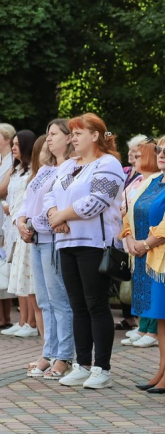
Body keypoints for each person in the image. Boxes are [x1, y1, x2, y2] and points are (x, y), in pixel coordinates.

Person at [45, 113, 125, 390]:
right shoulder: (68, 165)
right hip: (66, 243)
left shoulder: (109, 163)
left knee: (96, 305)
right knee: (78, 306)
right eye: (72, 133)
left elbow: (97, 201)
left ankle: (102, 368)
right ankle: (82, 364)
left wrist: (60, 217)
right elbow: (49, 194)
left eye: (78, 133)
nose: (73, 138)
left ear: (95, 135)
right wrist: (54, 214)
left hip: (95, 244)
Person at [121, 134, 165, 393]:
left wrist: (146, 243)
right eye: (159, 150)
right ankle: (162, 370)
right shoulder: (150, 180)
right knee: (159, 317)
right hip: (143, 255)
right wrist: (129, 238)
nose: (161, 154)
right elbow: (129, 210)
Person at [17, 120, 75, 380]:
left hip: (54, 239)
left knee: (59, 300)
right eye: (48, 134)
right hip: (37, 239)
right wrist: (21, 221)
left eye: (53, 134)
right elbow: (27, 203)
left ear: (68, 137)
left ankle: (64, 356)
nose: (48, 138)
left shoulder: (72, 169)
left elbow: (59, 205)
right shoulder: (45, 170)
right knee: (44, 300)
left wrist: (35, 222)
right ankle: (49, 351)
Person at [120, 138, 161, 348]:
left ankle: (152, 329)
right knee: (141, 286)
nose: (134, 159)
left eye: (139, 156)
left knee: (151, 285)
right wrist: (128, 235)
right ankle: (143, 326)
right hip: (134, 237)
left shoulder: (156, 180)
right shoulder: (138, 180)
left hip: (149, 239)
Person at [0, 130, 38, 339]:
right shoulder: (16, 171)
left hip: (22, 224)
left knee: (26, 275)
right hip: (11, 225)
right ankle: (22, 319)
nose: (13, 147)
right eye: (12, 143)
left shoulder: (33, 170)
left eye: (17, 144)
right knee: (16, 276)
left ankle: (31, 322)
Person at [0, 123, 16, 329]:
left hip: (6, 217)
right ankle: (3, 318)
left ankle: (5, 318)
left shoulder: (11, 162)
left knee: (4, 265)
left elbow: (3, 190)